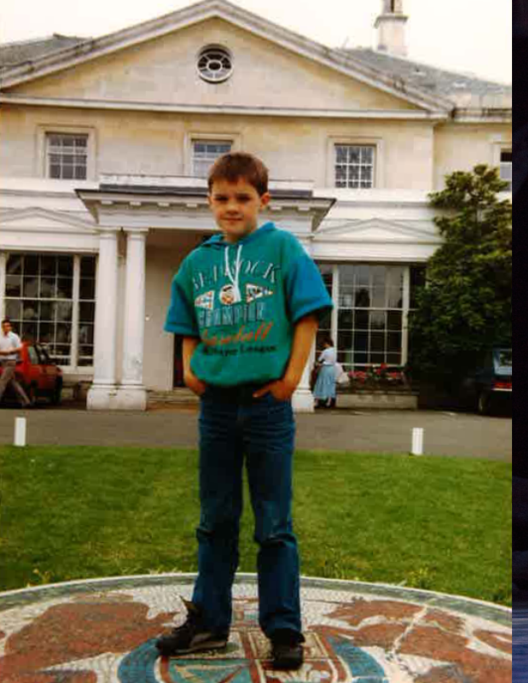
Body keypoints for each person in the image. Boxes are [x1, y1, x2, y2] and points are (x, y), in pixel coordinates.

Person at [160, 152, 332, 667]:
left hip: (266, 408)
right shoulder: (197, 263)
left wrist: (291, 379)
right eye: (221, 198)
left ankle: (283, 629)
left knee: (274, 522)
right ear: (209, 201)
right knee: (215, 518)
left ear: (263, 199)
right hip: (216, 406)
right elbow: (185, 321)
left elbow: (307, 314)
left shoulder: (282, 248)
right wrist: (191, 371)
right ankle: (209, 623)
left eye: (242, 198)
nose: (231, 207)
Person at [0, 319, 32, 408]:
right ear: (2, 327)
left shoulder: (14, 336)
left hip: (11, 362)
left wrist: (10, 352)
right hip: (2, 362)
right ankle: (26, 402)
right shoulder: (0, 336)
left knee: (2, 382)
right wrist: (2, 353)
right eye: (5, 326)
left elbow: (20, 348)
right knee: (14, 383)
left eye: (9, 326)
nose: (7, 328)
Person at [313, 337, 338, 408]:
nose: (324, 345)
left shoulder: (325, 351)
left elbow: (319, 360)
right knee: (330, 384)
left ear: (327, 344)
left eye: (324, 344)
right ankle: (329, 401)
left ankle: (316, 401)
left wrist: (317, 364)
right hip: (332, 369)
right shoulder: (334, 351)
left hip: (326, 369)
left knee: (320, 383)